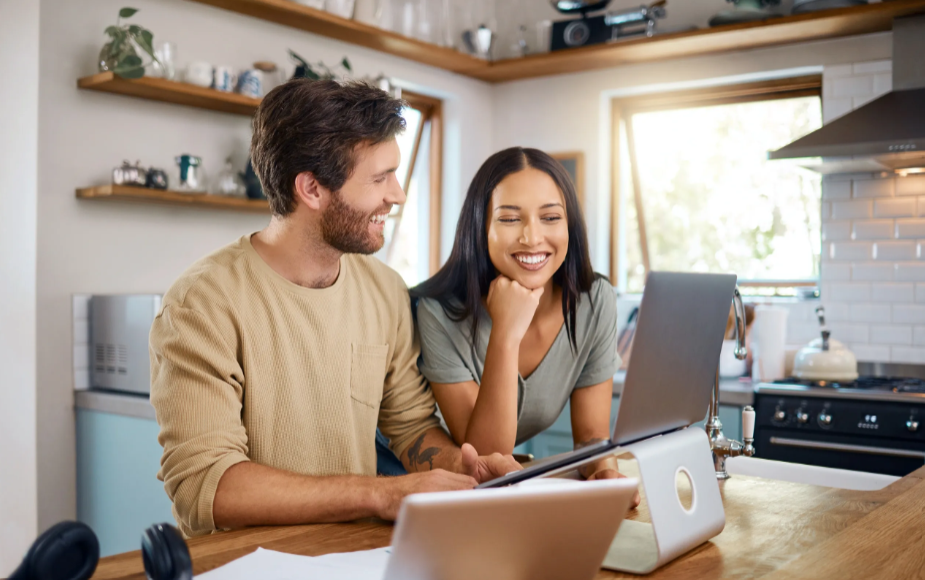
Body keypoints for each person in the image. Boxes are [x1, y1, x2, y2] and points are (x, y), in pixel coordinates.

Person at [149, 79, 520, 538]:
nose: (398, 194)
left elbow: (410, 428)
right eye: (380, 178)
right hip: (245, 566)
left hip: (356, 557)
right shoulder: (202, 304)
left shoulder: (384, 289)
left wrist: (466, 472)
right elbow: (206, 488)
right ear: (311, 189)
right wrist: (380, 494)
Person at [412, 147, 638, 496]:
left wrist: (604, 472)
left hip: (488, 493)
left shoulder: (593, 300)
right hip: (415, 481)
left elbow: (592, 436)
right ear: (480, 227)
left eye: (550, 218)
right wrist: (505, 334)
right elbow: (487, 457)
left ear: (570, 226)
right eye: (509, 218)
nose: (532, 237)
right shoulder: (437, 312)